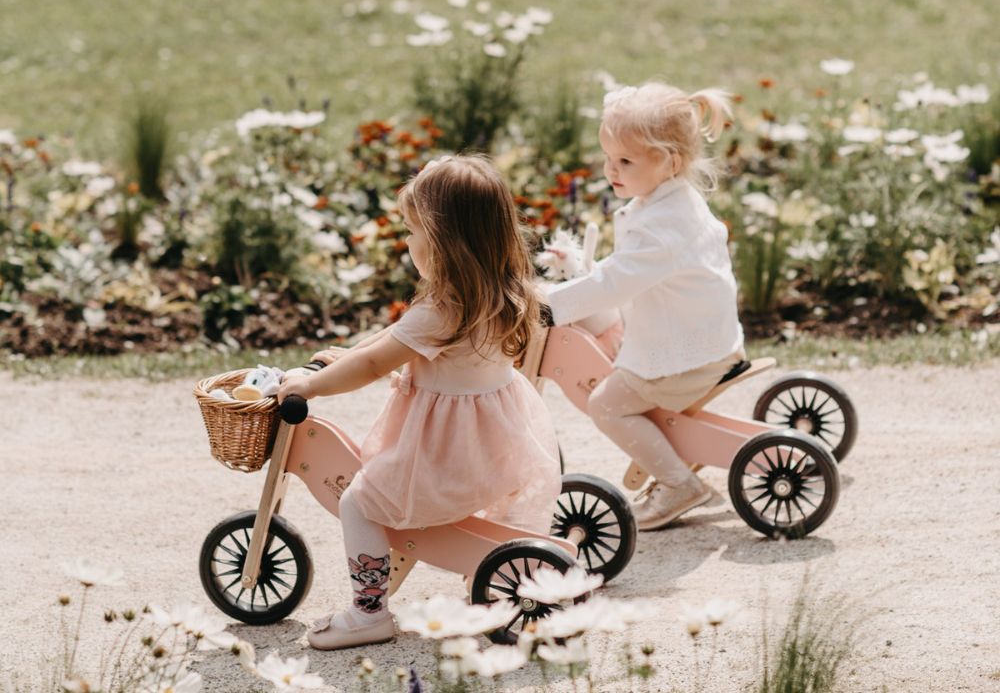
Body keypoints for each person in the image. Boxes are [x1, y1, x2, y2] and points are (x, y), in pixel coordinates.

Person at [278, 155, 561, 651]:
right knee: (405, 504)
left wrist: (309, 386)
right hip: (496, 449)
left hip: (441, 457)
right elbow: (386, 345)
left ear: (442, 241)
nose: (407, 242)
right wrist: (353, 353)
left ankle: (368, 613)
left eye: (412, 230)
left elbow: (373, 366)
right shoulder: (505, 295)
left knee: (360, 502)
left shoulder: (440, 312)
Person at [543, 82, 744, 531]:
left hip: (687, 357)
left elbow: (619, 280)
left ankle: (678, 485)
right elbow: (627, 274)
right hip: (693, 335)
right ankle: (674, 473)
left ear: (670, 161)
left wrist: (551, 304)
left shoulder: (661, 226)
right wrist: (579, 271)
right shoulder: (666, 203)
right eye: (608, 159)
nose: (610, 170)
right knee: (601, 323)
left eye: (625, 162)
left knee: (606, 405)